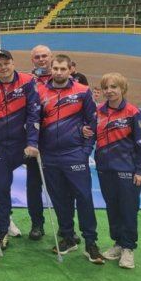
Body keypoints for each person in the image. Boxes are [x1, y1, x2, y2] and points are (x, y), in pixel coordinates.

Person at [38, 54, 104, 264]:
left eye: (62, 69)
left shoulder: (82, 91)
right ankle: (68, 237)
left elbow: (92, 123)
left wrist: (85, 151)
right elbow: (34, 120)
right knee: (59, 198)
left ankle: (91, 242)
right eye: (55, 68)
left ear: (70, 70)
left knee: (84, 198)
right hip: (49, 156)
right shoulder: (40, 91)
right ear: (51, 69)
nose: (58, 72)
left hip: (75, 154)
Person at [0, 50, 40, 250]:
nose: (3, 67)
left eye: (6, 63)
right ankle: (3, 230)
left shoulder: (28, 81)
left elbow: (34, 113)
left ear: (13, 63)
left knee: (35, 186)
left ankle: (38, 225)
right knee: (1, 188)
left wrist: (32, 142)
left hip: (23, 145)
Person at [94, 73, 141, 269]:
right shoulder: (98, 112)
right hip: (104, 169)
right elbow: (91, 133)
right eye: (106, 87)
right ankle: (118, 243)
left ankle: (128, 248)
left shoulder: (134, 113)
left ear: (123, 89)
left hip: (128, 170)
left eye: (114, 87)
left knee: (128, 208)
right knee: (113, 207)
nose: (109, 91)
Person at [24, 44, 54, 240]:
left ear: (51, 57)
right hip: (33, 142)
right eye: (37, 57)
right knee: (34, 186)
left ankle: (66, 228)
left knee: (59, 187)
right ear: (32, 60)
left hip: (56, 143)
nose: (42, 60)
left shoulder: (63, 79)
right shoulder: (27, 81)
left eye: (44, 56)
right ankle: (37, 224)